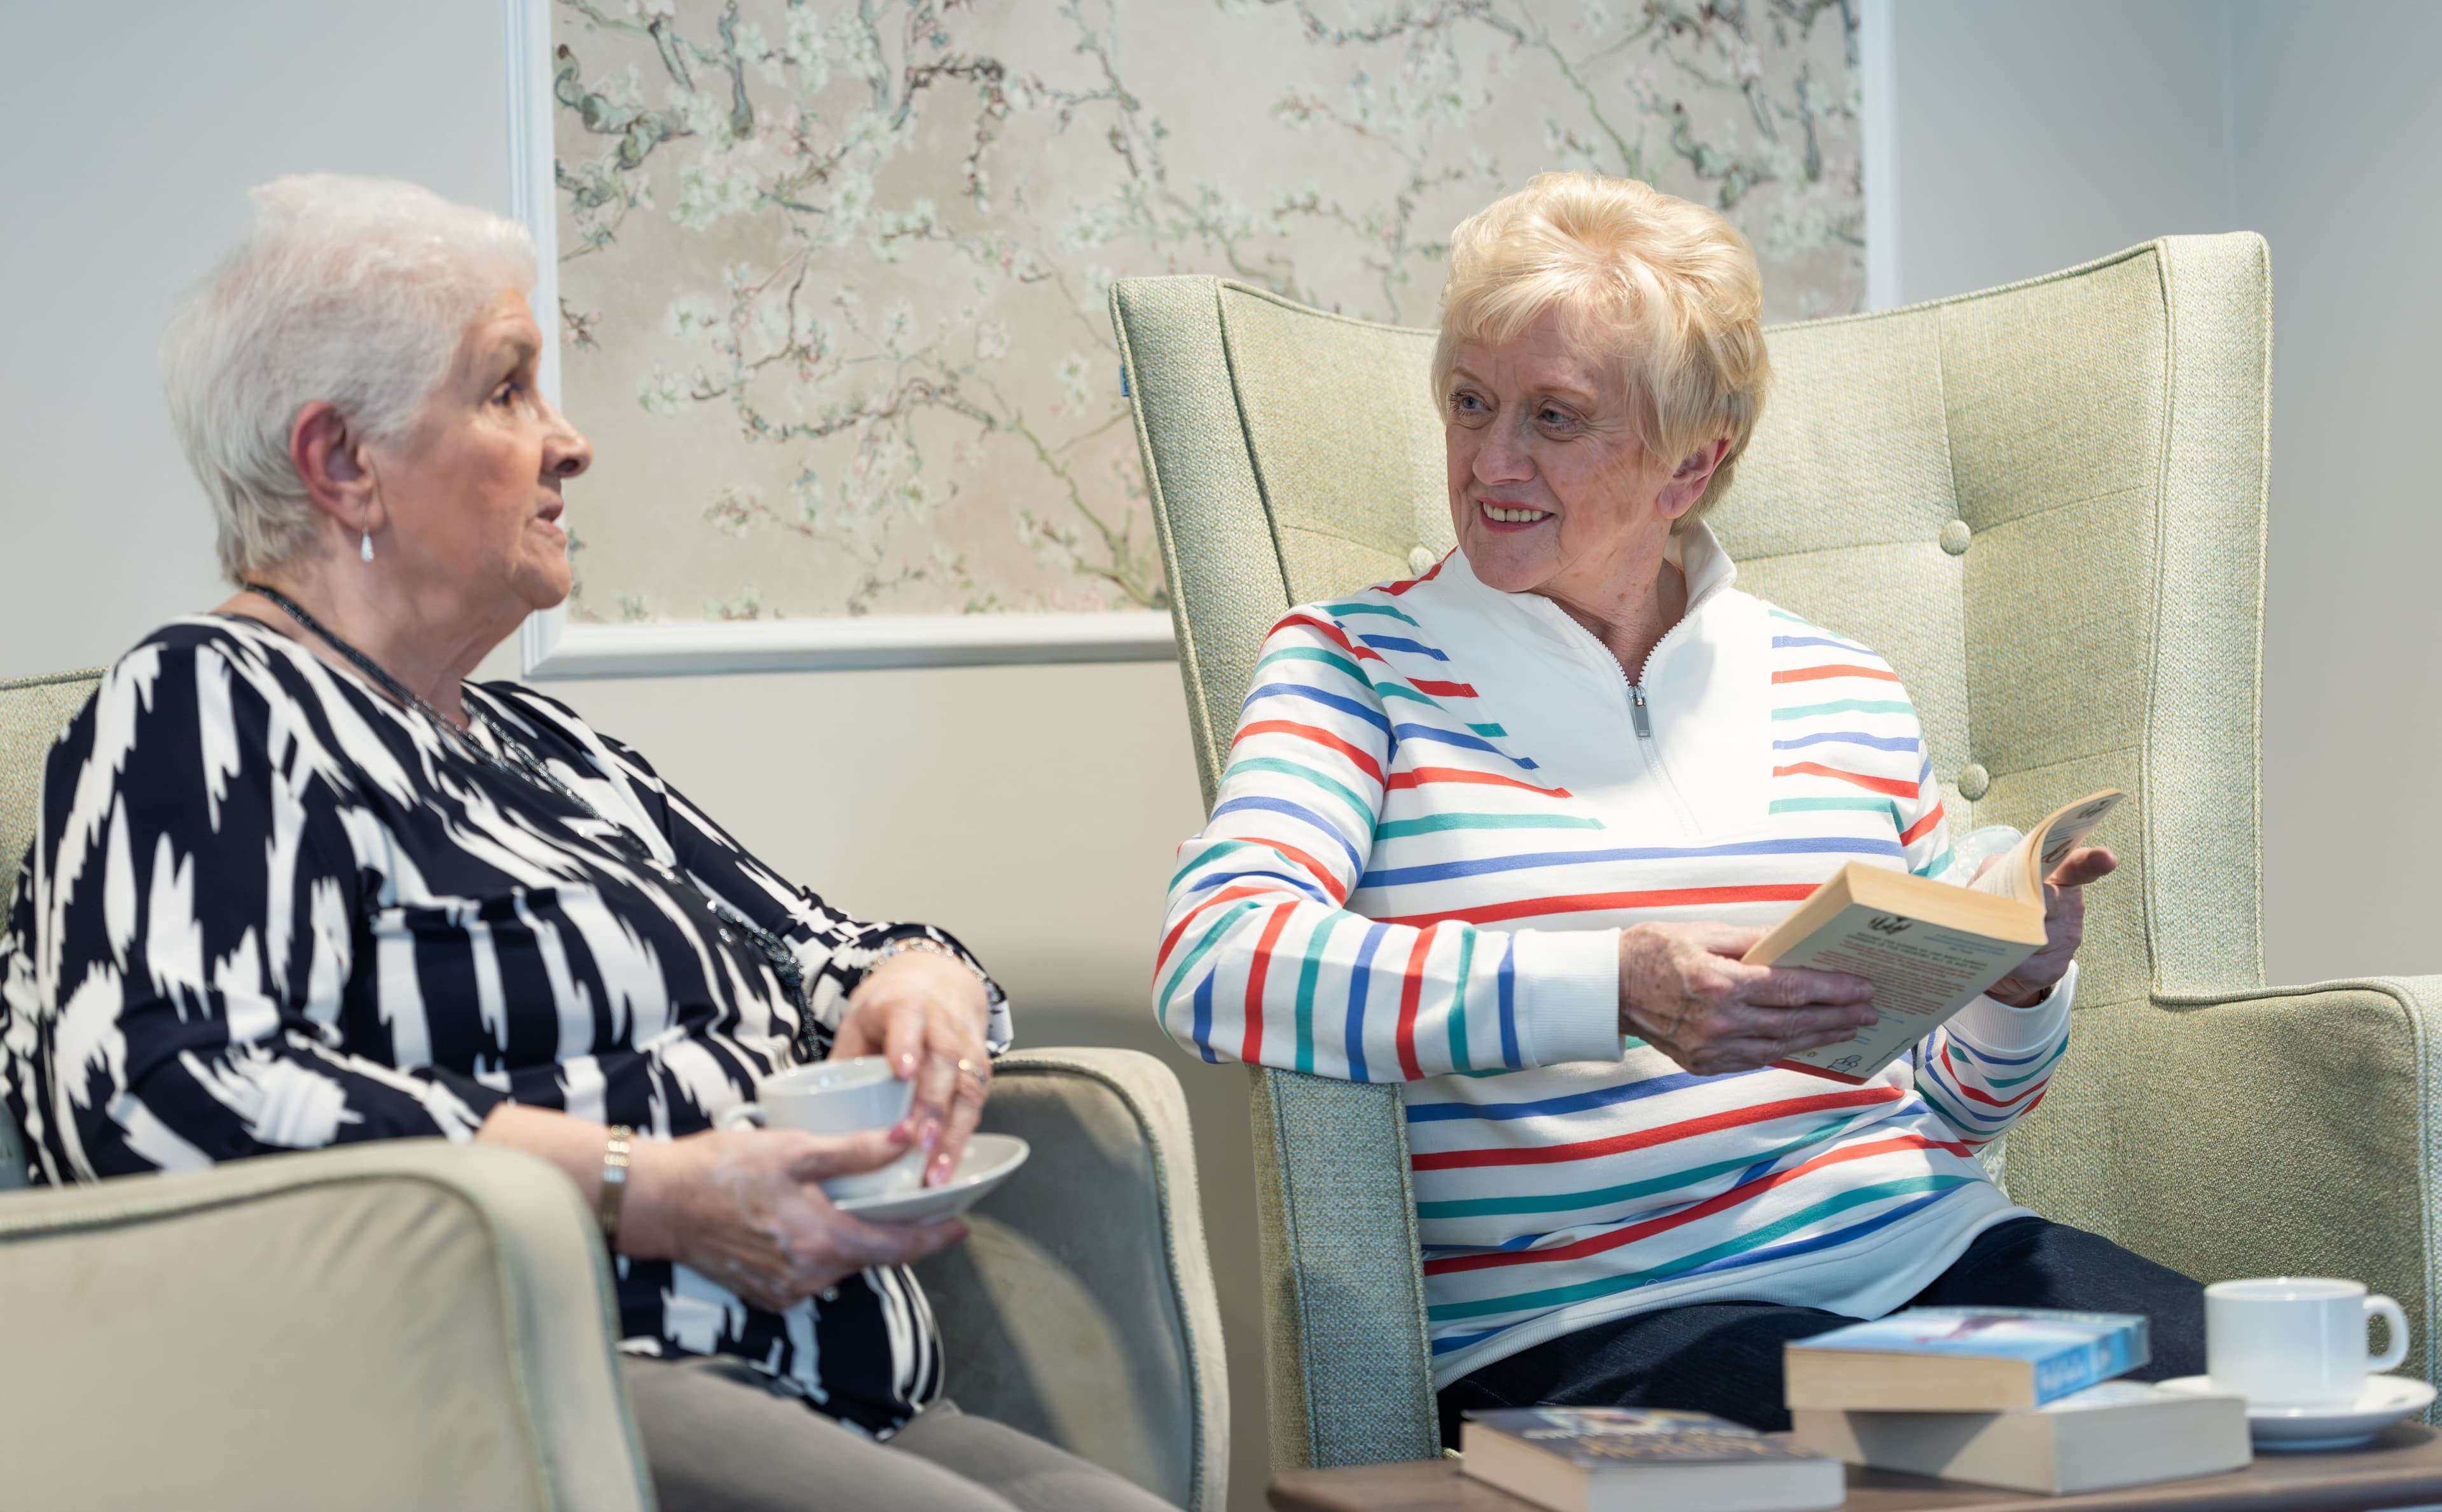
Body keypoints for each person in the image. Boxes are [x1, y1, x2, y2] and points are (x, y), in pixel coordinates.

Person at [0, 175, 1172, 1512]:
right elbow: (147, 1085)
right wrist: (645, 1189)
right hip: (530, 1395)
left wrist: (921, 986)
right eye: (507, 390)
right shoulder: (207, 703)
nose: (571, 441)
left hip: (853, 1391)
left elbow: (824, 945)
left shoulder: (550, 750)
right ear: (341, 462)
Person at [1154, 170, 2200, 1440]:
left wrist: (2017, 985)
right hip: (1589, 1317)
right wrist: (1613, 988)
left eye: (1555, 417)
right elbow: (1217, 964)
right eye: (1472, 403)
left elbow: (1950, 1108)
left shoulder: (1844, 688)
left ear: (1690, 464)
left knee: (2291, 1416)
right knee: (1964, 1466)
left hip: (1929, 1251)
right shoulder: (1352, 665)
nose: (1491, 460)